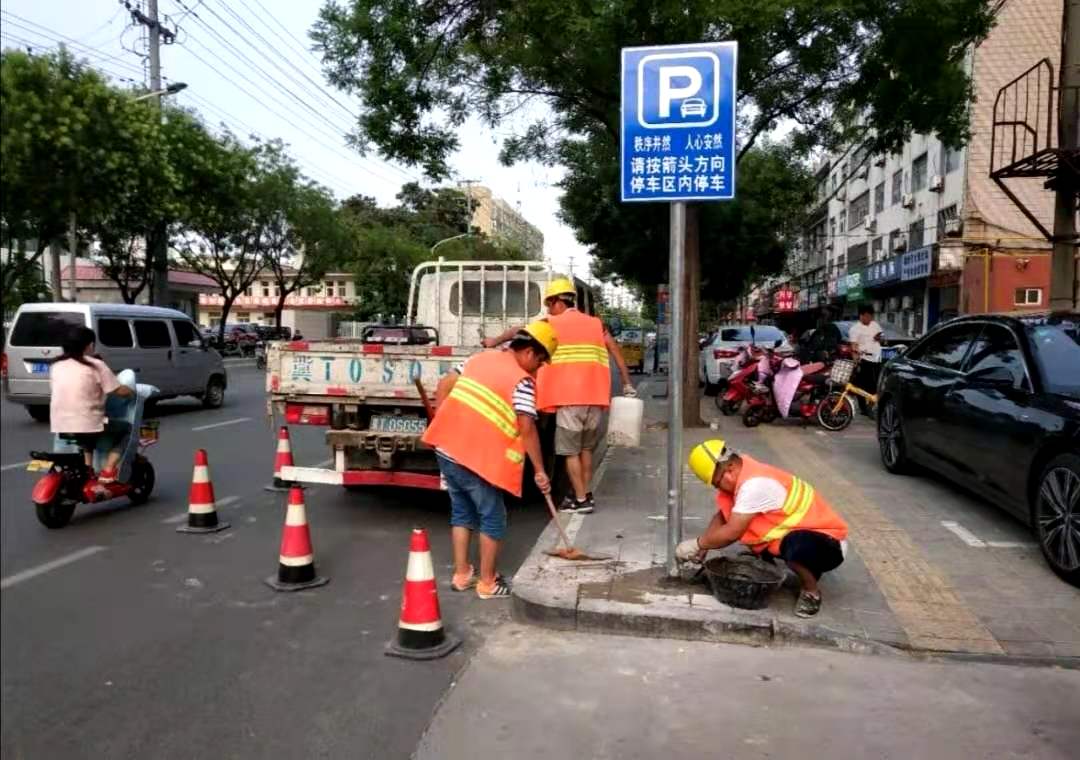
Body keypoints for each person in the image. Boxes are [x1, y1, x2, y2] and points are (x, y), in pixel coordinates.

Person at [422, 321, 557, 599]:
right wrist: (540, 470)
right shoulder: (522, 381)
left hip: (447, 449)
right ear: (530, 352)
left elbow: (444, 384)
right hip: (477, 460)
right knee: (492, 517)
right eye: (541, 361)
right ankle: (487, 583)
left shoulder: (480, 359)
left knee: (462, 512)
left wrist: (442, 418)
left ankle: (462, 575)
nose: (539, 368)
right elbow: (527, 429)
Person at [482, 277, 635, 515]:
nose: (548, 310)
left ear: (557, 302)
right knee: (586, 450)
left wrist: (494, 341)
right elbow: (615, 351)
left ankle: (581, 500)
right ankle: (585, 493)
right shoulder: (596, 324)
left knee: (570, 451)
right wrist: (626, 384)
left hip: (569, 398)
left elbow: (517, 332)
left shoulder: (550, 323)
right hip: (595, 398)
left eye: (548, 304)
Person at [676, 440, 849, 618]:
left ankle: (811, 592)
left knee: (793, 545)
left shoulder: (755, 485)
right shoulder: (744, 472)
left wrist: (697, 544)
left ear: (730, 469)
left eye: (717, 482)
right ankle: (784, 563)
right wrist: (705, 546)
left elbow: (732, 533)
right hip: (801, 535)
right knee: (765, 536)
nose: (718, 487)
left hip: (829, 544)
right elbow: (722, 516)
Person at [49, 326, 135, 483]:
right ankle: (108, 469)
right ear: (89, 345)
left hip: (60, 424)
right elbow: (118, 390)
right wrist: (132, 391)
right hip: (89, 422)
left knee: (86, 437)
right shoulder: (96, 365)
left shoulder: (56, 365)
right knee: (128, 430)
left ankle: (88, 471)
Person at [848, 304, 883, 413]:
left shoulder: (875, 325)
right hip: (864, 359)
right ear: (861, 315)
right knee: (862, 384)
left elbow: (881, 339)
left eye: (871, 316)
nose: (870, 318)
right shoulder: (855, 329)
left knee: (875, 384)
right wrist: (856, 361)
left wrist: (879, 338)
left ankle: (872, 406)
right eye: (867, 316)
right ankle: (863, 408)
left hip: (877, 359)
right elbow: (853, 346)